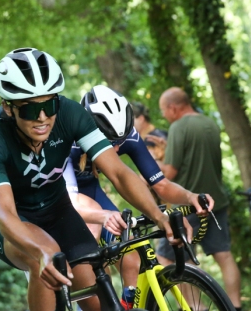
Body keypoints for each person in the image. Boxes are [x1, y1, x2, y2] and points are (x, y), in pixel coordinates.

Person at [0, 48, 185, 311]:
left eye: (48, 104)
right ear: (8, 108)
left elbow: (119, 174)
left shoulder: (70, 113)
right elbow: (4, 213)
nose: (41, 117)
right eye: (28, 108)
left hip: (56, 210)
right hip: (6, 219)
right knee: (48, 257)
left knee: (103, 310)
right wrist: (40, 252)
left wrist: (160, 216)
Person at [64, 85, 213, 292]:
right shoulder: (68, 143)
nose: (116, 149)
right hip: (66, 200)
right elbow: (71, 202)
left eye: (120, 141)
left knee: (132, 261)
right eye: (109, 142)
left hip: (93, 195)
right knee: (90, 270)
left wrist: (190, 197)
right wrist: (103, 217)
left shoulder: (127, 135)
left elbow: (160, 184)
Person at [155, 87, 248, 311]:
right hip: (214, 200)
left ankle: (197, 310)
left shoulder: (178, 128)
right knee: (224, 255)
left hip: (187, 205)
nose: (165, 116)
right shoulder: (210, 124)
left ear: (173, 108)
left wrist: (158, 158)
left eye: (164, 111)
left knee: (170, 257)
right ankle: (237, 310)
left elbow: (170, 171)